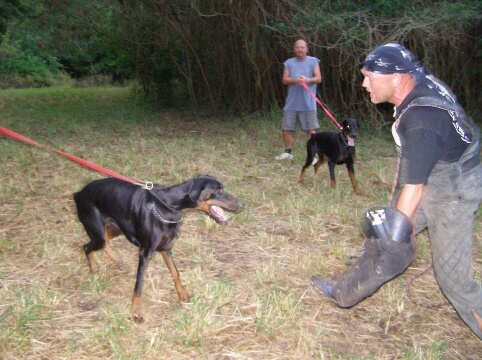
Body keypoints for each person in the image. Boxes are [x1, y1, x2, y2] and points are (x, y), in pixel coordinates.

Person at [311, 43, 482, 340]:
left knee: (452, 280)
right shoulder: (420, 82)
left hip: (455, 184)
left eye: (369, 77)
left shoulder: (420, 120)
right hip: (442, 166)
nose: (364, 83)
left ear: (396, 77)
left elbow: (414, 189)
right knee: (385, 227)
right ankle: (344, 289)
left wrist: (395, 238)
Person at [275, 39, 322, 160]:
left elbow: (318, 78)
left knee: (311, 130)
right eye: (297, 47)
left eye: (302, 47)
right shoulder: (289, 63)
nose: (300, 50)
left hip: (308, 103)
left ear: (306, 49)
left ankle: (313, 156)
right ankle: (288, 152)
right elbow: (285, 80)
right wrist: (296, 80)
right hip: (292, 103)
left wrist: (307, 80)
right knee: (286, 128)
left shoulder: (313, 61)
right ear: (294, 49)